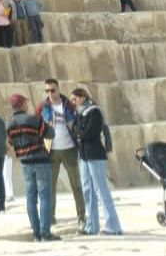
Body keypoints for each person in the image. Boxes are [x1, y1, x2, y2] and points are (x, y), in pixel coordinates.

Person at [66, 88, 121, 236]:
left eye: (75, 99)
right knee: (87, 190)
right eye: (72, 100)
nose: (73, 102)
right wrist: (79, 132)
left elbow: (89, 133)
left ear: (83, 97)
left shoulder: (94, 111)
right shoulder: (79, 113)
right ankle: (92, 226)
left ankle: (113, 225)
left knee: (101, 189)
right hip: (84, 155)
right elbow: (76, 131)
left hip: (95, 154)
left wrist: (78, 133)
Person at [6, 94, 59, 242]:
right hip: (41, 160)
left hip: (25, 162)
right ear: (22, 104)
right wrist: (48, 124)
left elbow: (11, 142)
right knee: (45, 197)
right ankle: (45, 233)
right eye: (25, 103)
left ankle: (36, 233)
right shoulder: (33, 119)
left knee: (31, 198)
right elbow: (50, 134)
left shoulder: (9, 124)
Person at [37, 79, 86, 231]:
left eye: (53, 90)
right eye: (47, 91)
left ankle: (81, 217)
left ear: (58, 89)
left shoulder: (69, 104)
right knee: (50, 186)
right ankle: (50, 217)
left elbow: (79, 122)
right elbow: (37, 127)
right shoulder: (42, 107)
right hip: (51, 150)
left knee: (76, 185)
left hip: (69, 149)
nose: (50, 93)